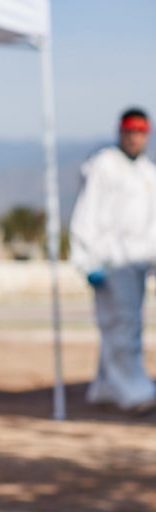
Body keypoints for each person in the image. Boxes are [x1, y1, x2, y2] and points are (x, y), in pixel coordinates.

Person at [70, 108, 156, 413]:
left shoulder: (148, 172)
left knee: (127, 324)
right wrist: (85, 259)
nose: (135, 138)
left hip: (137, 263)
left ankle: (106, 386)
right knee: (121, 325)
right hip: (109, 261)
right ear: (120, 132)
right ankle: (133, 389)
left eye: (141, 132)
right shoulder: (104, 166)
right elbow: (86, 213)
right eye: (130, 131)